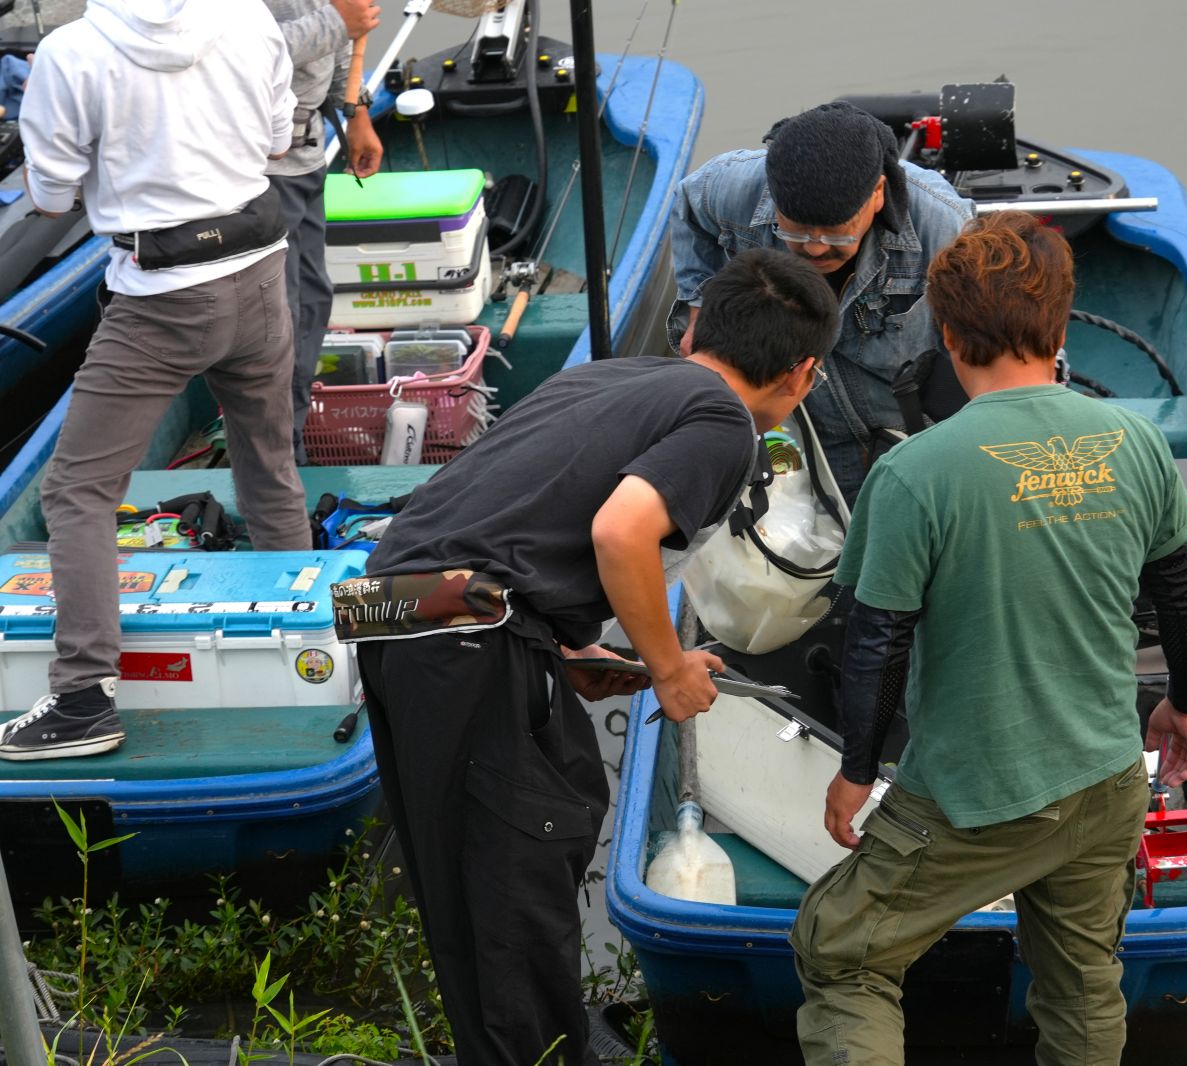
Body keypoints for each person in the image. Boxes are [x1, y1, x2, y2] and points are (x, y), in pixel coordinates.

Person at [346, 248, 840, 1066]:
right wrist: (670, 667)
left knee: (469, 895)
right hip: (464, 634)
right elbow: (620, 530)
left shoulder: (609, 378)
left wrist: (566, 645)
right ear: (802, 374)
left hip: (392, 608)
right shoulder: (725, 422)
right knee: (515, 888)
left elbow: (510, 514)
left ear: (693, 330)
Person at [789, 211, 1187, 1066]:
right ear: (1059, 331)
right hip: (1105, 781)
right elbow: (1182, 596)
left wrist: (857, 770)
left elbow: (877, 644)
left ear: (947, 336)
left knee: (841, 953)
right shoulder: (1135, 443)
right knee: (1083, 982)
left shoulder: (914, 473)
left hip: (973, 798)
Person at [0, 0, 311, 762]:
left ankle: (82, 698)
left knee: (76, 490)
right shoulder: (251, 17)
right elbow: (277, 142)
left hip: (161, 298)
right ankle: (308, 648)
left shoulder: (70, 54)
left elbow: (50, 197)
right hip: (260, 270)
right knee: (268, 464)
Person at [668, 100, 973, 502]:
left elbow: (986, 338)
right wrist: (698, 309)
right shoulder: (732, 186)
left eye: (835, 234)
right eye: (794, 231)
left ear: (877, 194)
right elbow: (689, 207)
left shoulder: (945, 226)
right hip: (804, 431)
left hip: (909, 432)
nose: (814, 249)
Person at [264, 0, 384, 463]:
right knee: (280, 317)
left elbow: (341, 30)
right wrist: (335, 22)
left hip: (307, 158)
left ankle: (288, 435)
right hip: (259, 171)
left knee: (313, 299)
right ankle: (278, 455)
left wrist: (356, 113)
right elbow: (233, 56)